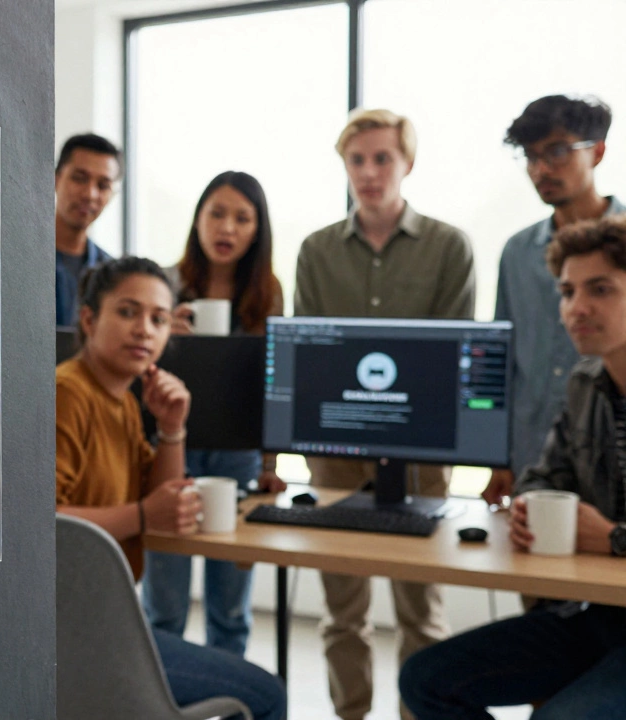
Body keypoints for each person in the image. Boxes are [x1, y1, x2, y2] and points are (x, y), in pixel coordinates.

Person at [400, 215, 626, 719]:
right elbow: (545, 476)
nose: (576, 308)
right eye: (567, 292)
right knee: (426, 679)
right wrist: (529, 507)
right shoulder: (586, 383)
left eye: (601, 289)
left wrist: (613, 538)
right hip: (596, 617)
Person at [294, 108, 474, 720]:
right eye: (357, 160)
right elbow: (313, 353)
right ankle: (351, 713)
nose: (369, 172)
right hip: (336, 450)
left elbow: (449, 354)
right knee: (342, 609)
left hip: (421, 451)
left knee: (420, 609)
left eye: (382, 159)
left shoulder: (450, 246)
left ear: (407, 163)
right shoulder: (316, 250)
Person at [56, 256, 286, 719]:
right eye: (127, 312)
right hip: (71, 628)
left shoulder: (119, 401)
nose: (145, 329)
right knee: (265, 696)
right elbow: (38, 521)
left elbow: (164, 499)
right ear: (88, 319)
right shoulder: (69, 393)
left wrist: (173, 429)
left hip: (106, 619)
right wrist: (143, 515)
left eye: (159, 319)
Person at [140, 171, 287, 656]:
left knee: (229, 608)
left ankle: (229, 697)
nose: (227, 228)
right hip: (171, 449)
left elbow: (274, 387)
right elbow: (134, 368)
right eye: (217, 214)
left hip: (238, 455)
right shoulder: (165, 284)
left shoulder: (268, 293)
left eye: (243, 218)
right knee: (164, 599)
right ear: (198, 220)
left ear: (257, 229)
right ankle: (159, 700)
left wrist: (269, 467)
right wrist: (166, 335)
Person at [485, 95, 624, 507]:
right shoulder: (517, 252)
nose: (541, 169)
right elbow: (501, 361)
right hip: (532, 456)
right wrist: (497, 458)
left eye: (558, 152)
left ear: (597, 151)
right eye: (531, 157)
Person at [55, 133, 119, 326]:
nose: (90, 194)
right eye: (80, 178)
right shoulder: (11, 258)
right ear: (56, 179)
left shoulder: (113, 275)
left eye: (103, 185)